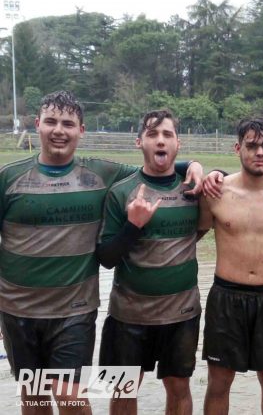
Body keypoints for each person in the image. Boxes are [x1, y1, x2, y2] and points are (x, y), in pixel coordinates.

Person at [0, 91, 206, 414]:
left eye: (68, 124)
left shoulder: (101, 173)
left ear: (81, 130)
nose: (59, 130)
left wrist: (194, 165)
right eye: (51, 121)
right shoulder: (8, 178)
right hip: (17, 309)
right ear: (37, 124)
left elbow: (154, 168)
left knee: (69, 396)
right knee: (33, 392)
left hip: (75, 309)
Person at [96, 110, 202, 415]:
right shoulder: (120, 192)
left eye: (167, 134)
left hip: (182, 313)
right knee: (123, 388)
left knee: (179, 387)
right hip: (129, 315)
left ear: (178, 144)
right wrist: (133, 226)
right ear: (139, 141)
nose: (160, 141)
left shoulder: (193, 190)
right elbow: (106, 259)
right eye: (152, 134)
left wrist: (204, 168)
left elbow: (205, 223)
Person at [199, 117, 263, 415]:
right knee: (218, 382)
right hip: (226, 298)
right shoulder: (215, 192)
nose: (260, 152)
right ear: (238, 148)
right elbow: (191, 236)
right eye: (252, 145)